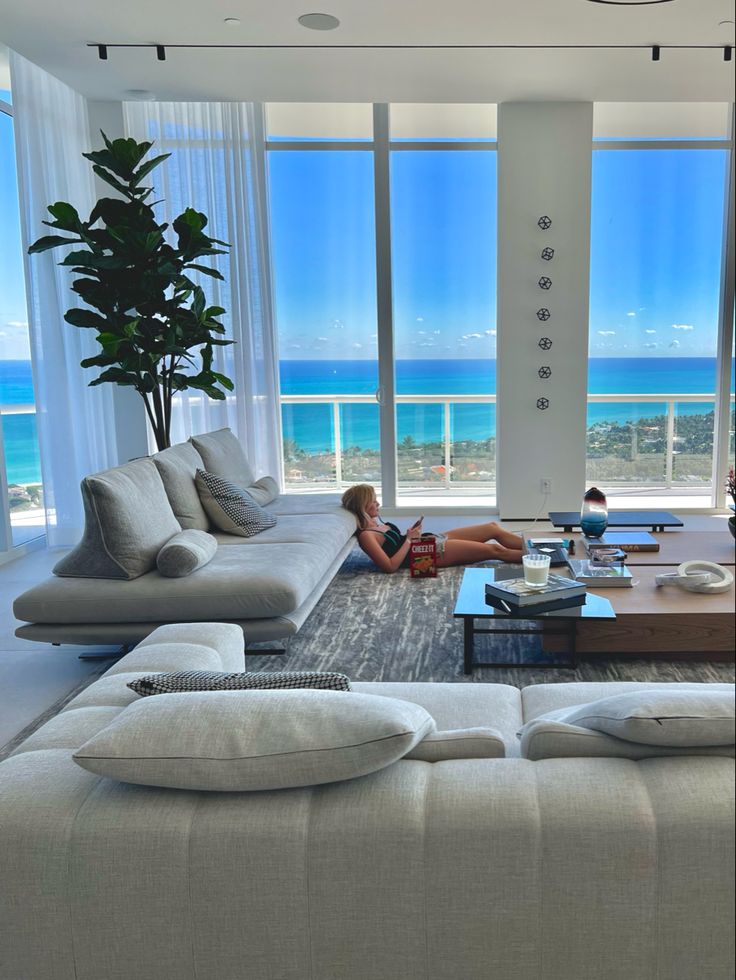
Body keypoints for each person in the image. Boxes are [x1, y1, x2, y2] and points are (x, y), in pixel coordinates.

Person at [341, 484, 524, 574]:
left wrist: (411, 535)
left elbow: (395, 543)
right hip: (422, 556)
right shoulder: (366, 536)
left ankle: (537, 546)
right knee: (495, 550)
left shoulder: (375, 523)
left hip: (427, 541)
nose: (378, 503)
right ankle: (546, 558)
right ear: (363, 505)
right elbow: (390, 567)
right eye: (373, 501)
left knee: (492, 528)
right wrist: (409, 540)